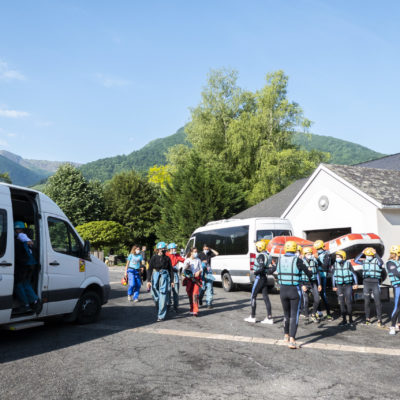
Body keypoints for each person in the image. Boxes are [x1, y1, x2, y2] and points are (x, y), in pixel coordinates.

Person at [269, 240, 312, 349]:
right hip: (294, 291)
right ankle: (292, 340)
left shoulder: (280, 259)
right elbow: (309, 274)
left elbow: (271, 271)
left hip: (283, 290)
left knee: (286, 314)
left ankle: (286, 335)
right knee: (294, 315)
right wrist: (310, 270)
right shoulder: (298, 260)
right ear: (295, 249)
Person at [14, 221, 42, 314]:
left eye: (17, 229)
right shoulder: (24, 236)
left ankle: (25, 305)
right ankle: (35, 301)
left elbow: (29, 243)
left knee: (18, 285)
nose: (16, 230)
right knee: (25, 283)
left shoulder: (21, 236)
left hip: (23, 265)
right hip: (30, 265)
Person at [244, 240, 273, 324]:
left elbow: (261, 268)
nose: (256, 248)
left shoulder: (261, 256)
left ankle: (252, 316)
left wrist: (255, 272)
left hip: (259, 277)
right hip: (264, 278)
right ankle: (269, 317)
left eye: (257, 246)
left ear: (260, 247)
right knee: (265, 297)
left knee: (253, 296)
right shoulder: (267, 254)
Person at [355, 247, 384, 326]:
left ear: (373, 255)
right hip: (366, 283)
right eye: (367, 255)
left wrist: (375, 253)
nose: (368, 256)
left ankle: (379, 320)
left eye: (370, 255)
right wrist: (362, 252)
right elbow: (356, 260)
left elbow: (381, 263)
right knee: (366, 302)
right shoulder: (364, 262)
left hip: (375, 283)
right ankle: (367, 318)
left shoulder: (377, 261)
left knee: (378, 302)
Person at [147, 242, 174, 322]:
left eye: (164, 248)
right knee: (154, 292)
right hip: (155, 275)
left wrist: (172, 280)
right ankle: (161, 304)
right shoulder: (154, 257)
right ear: (158, 249)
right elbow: (150, 269)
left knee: (163, 294)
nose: (163, 250)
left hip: (164, 276)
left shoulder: (167, 258)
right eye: (162, 248)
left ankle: (161, 315)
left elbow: (170, 270)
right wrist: (148, 280)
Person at [331, 250, 358, 326]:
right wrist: (334, 286)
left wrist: (356, 283)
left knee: (348, 302)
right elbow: (333, 276)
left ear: (343, 257)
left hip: (348, 285)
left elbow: (354, 274)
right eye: (336, 257)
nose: (337, 258)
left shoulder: (348, 264)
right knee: (342, 303)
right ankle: (344, 320)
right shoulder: (335, 265)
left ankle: (351, 320)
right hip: (339, 286)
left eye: (338, 257)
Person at [300, 247, 321, 323]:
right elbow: (298, 275)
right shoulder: (301, 262)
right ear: (304, 254)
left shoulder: (314, 262)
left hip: (313, 282)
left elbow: (317, 273)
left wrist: (319, 284)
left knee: (317, 299)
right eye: (308, 254)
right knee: (306, 300)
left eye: (310, 254)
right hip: (304, 283)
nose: (310, 255)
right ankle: (306, 315)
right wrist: (302, 285)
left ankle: (313, 314)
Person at [313, 240, 333, 320]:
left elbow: (325, 266)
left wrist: (317, 259)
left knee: (323, 295)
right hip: (316, 275)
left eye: (319, 248)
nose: (318, 250)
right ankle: (319, 312)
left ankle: (328, 314)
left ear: (322, 247)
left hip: (323, 276)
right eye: (317, 249)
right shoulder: (316, 254)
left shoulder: (327, 255)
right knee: (316, 295)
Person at [183, 248, 202, 316]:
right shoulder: (187, 260)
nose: (196, 253)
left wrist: (199, 272)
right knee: (190, 294)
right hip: (189, 279)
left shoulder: (198, 260)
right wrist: (187, 267)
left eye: (196, 252)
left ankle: (195, 310)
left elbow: (201, 269)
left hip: (196, 279)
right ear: (191, 253)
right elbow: (183, 271)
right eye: (194, 252)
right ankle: (191, 308)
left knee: (195, 294)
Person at [166, 242, 185, 312]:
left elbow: (184, 261)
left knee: (176, 292)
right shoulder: (166, 254)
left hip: (174, 275)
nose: (175, 249)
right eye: (174, 248)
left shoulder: (177, 255)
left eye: (175, 248)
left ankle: (175, 307)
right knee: (167, 291)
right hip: (167, 275)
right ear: (170, 249)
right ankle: (167, 306)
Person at [198, 244, 218, 309]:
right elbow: (196, 262)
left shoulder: (209, 253)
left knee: (209, 288)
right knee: (202, 288)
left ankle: (209, 303)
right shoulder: (200, 254)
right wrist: (202, 262)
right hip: (202, 273)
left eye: (207, 249)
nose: (206, 250)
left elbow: (217, 253)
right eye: (205, 249)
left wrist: (211, 249)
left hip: (209, 272)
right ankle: (200, 298)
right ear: (203, 248)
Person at [386, 245, 400, 335]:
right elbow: (396, 273)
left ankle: (398, 324)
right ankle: (392, 326)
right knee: (397, 307)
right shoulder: (390, 263)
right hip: (397, 287)